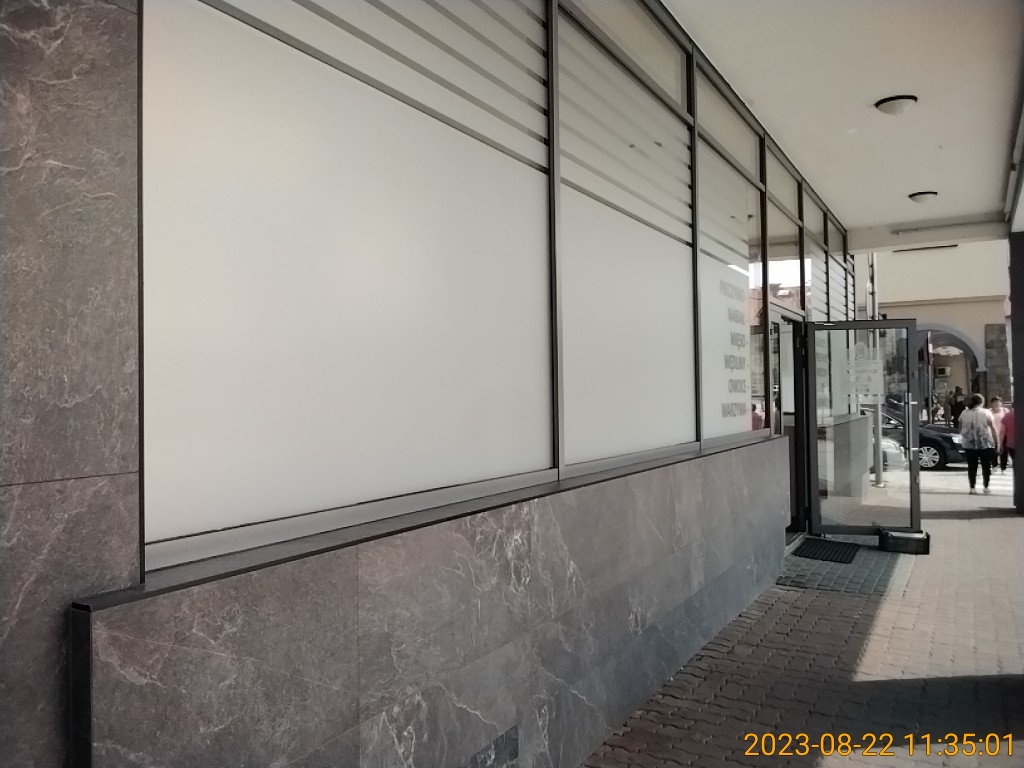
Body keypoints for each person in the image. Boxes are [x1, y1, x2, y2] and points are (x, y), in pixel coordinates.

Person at [959, 393, 999, 494]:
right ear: (981, 402)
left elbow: (960, 427)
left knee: (972, 466)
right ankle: (986, 487)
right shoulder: (986, 412)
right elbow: (993, 428)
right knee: (986, 466)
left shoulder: (964, 413)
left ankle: (972, 487)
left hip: (969, 443)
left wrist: (965, 435)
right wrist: (997, 442)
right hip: (985, 443)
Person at [990, 397, 1007, 471]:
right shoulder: (989, 411)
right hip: (992, 434)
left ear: (1001, 403)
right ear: (992, 403)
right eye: (994, 402)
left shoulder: (1005, 411)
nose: (996, 404)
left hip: (1003, 433)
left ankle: (1003, 467)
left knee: (1004, 451)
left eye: (998, 402)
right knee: (993, 450)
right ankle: (994, 465)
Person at [1001, 406, 1016, 472]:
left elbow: (1002, 431)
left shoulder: (1007, 416)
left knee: (1015, 460)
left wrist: (1000, 443)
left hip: (1011, 443)